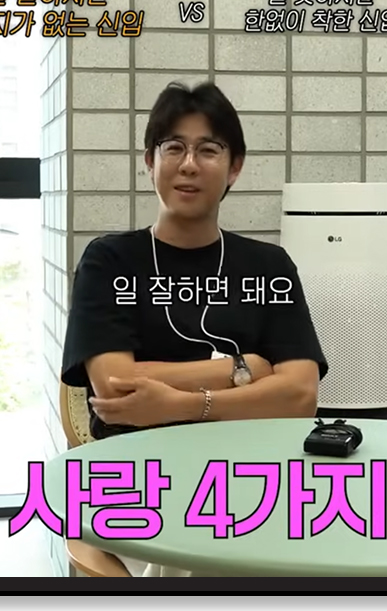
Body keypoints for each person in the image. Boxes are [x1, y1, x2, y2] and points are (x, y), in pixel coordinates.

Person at [60, 81, 329, 577]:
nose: (189, 164)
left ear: (234, 167)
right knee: (208, 556)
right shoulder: (109, 261)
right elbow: (115, 387)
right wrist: (244, 370)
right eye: (174, 148)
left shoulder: (269, 267)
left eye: (208, 149)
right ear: (150, 161)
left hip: (254, 474)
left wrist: (178, 404)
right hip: (138, 480)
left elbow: (299, 396)